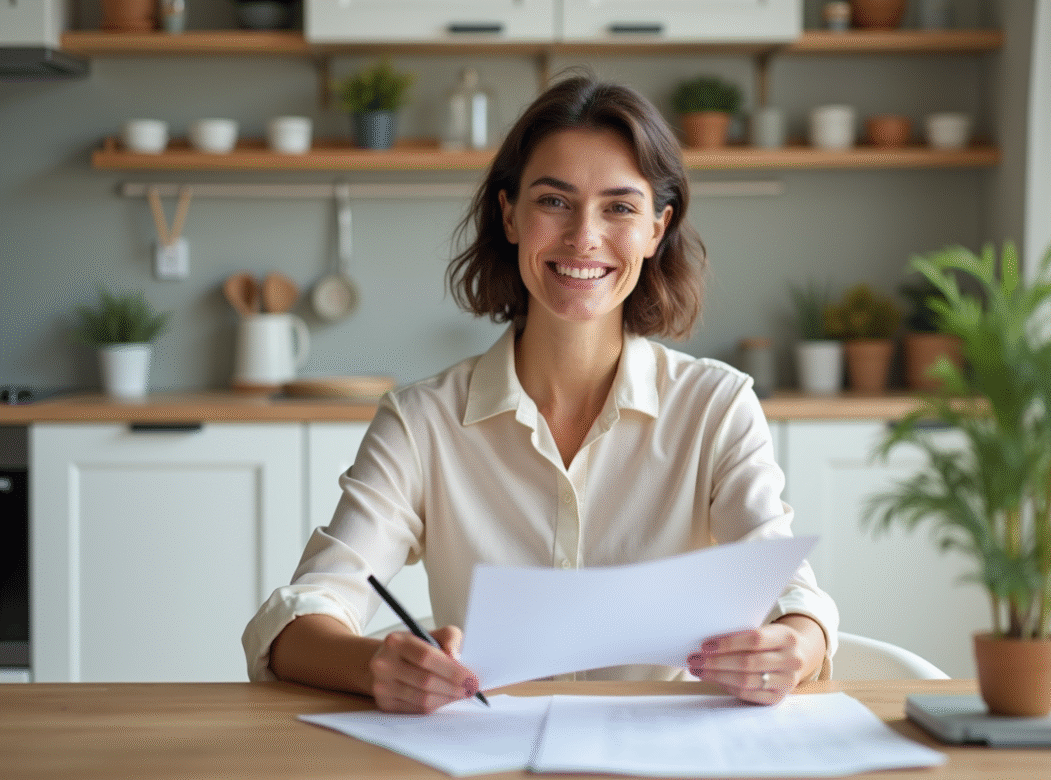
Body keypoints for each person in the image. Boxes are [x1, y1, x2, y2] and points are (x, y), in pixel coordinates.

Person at [243, 73, 839, 714]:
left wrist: (792, 649)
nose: (584, 237)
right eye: (554, 202)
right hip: (483, 754)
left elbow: (795, 604)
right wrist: (373, 665)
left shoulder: (717, 408)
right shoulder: (422, 423)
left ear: (656, 230)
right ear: (510, 215)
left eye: (619, 207)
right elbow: (297, 621)